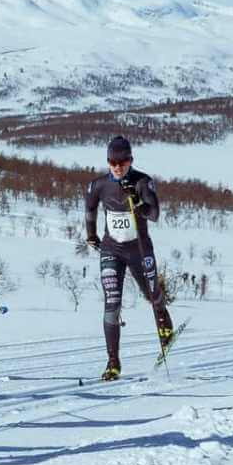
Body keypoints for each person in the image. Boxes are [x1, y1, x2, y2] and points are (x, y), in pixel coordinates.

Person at [83, 135, 173, 381]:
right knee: (112, 303)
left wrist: (138, 203)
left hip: (139, 250)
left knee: (152, 295)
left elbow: (154, 214)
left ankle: (164, 317)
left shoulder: (143, 182)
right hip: (112, 249)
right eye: (113, 161)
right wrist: (91, 236)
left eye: (122, 161)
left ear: (130, 160)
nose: (117, 166)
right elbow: (90, 207)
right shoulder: (99, 185)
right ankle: (113, 362)